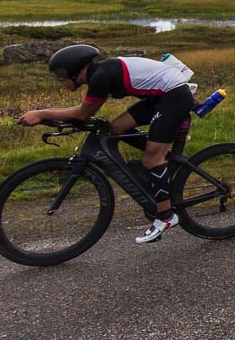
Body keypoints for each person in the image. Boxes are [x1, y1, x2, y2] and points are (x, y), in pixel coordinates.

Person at [18, 44, 196, 244]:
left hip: (174, 96)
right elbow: (84, 114)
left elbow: (83, 114)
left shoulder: (100, 77)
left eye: (61, 74)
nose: (60, 80)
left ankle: (165, 216)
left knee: (151, 160)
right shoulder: (100, 72)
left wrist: (42, 114)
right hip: (162, 96)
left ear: (73, 70)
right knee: (115, 128)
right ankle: (163, 154)